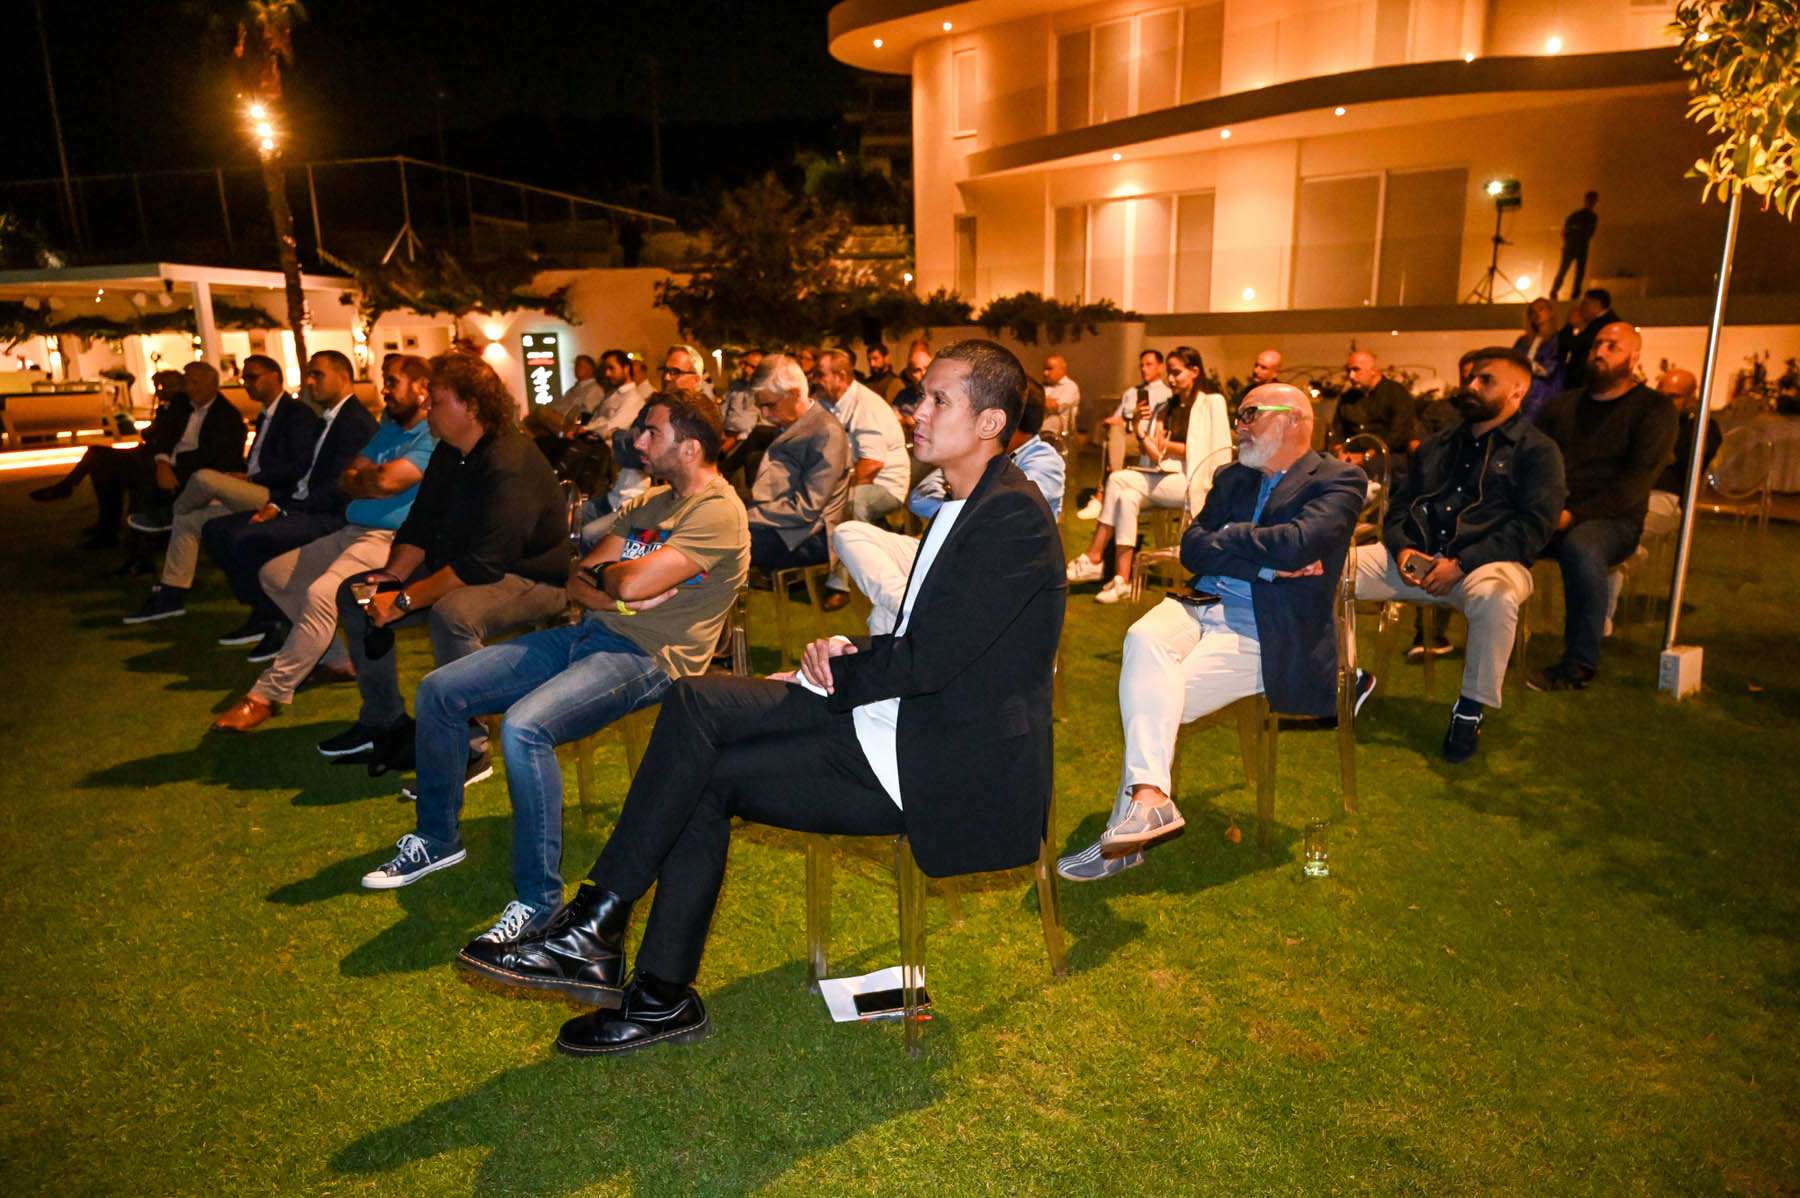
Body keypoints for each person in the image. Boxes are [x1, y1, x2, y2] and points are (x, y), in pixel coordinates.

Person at [455, 339, 1065, 1058]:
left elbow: (933, 660)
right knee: (698, 738)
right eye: (920, 396)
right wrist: (843, 655)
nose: (916, 412)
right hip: (899, 720)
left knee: (697, 722)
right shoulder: (970, 503)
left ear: (990, 422)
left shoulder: (1010, 515)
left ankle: (601, 936)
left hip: (940, 760)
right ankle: (641, 977)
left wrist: (828, 676)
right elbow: (936, 642)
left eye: (938, 399)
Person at [358, 390, 750, 946]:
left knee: (524, 728)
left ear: (690, 447)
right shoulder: (652, 503)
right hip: (591, 633)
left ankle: (539, 903)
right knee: (440, 690)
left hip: (651, 657)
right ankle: (438, 838)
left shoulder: (717, 512)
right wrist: (619, 593)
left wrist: (617, 582)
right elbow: (577, 578)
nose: (638, 441)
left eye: (652, 432)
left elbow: (627, 579)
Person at [1058, 384, 1365, 882]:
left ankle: (1128, 835)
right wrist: (1263, 563)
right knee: (1142, 638)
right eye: (1240, 414)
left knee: (1154, 700)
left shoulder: (1339, 479)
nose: (1239, 425)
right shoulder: (1232, 477)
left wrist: (1231, 537)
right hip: (1199, 604)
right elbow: (1193, 550)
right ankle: (1149, 803)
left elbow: (1299, 544)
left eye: (1250, 414)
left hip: (1266, 629)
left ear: (1294, 420)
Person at [318, 350, 570, 777]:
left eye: (435, 400)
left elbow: (484, 565)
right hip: (466, 567)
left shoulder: (509, 460)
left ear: (470, 407)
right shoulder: (450, 451)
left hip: (529, 577)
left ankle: (470, 748)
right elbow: (420, 526)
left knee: (453, 613)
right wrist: (390, 579)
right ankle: (384, 723)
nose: (426, 407)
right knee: (357, 593)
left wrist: (404, 601)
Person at [1353, 347, 1565, 763]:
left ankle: (1469, 711)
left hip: (1488, 564)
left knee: (1496, 597)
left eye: (1486, 380)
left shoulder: (1538, 451)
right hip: (1416, 559)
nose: (1471, 385)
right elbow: (1398, 508)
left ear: (1517, 392)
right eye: (1470, 378)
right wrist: (1402, 546)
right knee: (1328, 568)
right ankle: (1344, 678)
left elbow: (1534, 528)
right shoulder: (1438, 445)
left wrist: (1464, 563)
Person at [209, 355, 441, 732]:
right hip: (353, 529)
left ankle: (265, 695)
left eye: (393, 381)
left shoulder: (431, 434)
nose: (384, 389)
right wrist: (367, 479)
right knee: (275, 575)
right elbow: (349, 476)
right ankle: (335, 661)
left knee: (321, 594)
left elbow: (386, 481)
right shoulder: (390, 426)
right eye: (385, 380)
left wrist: (367, 479)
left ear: (421, 387)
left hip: (390, 539)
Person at [833, 388, 1064, 634]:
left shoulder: (1043, 459)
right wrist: (966, 503)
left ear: (1003, 421)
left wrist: (957, 498)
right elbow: (920, 498)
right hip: (945, 554)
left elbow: (1005, 510)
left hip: (990, 572)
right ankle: (909, 608)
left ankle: (907, 615)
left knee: (883, 617)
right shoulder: (977, 453)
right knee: (849, 534)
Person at [194, 352, 381, 655]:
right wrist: (278, 503)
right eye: (310, 374)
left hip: (330, 515)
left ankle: (279, 622)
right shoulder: (326, 419)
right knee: (216, 529)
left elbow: (338, 488)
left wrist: (284, 509)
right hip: (302, 504)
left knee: (250, 539)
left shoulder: (355, 422)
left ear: (344, 377)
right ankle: (263, 611)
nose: (310, 382)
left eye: (318, 374)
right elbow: (301, 472)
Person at [120, 353, 322, 624]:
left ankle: (169, 513)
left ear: (275, 376)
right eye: (244, 379)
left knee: (205, 478)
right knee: (188, 519)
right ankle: (171, 595)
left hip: (275, 495)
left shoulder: (295, 414)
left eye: (253, 377)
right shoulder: (266, 414)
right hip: (253, 486)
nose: (247, 384)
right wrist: (246, 476)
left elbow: (298, 466)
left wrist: (254, 478)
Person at [1530, 322, 1678, 691]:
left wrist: (1571, 516)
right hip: (1554, 511)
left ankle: (1579, 664)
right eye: (1597, 344)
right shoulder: (1562, 406)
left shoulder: (1653, 410)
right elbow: (1532, 460)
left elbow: (1634, 484)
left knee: (1582, 547)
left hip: (1613, 520)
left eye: (1613, 346)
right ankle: (1461, 634)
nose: (1600, 352)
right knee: (1493, 533)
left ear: (1634, 356)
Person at [1066, 346, 1233, 603]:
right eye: (1170, 374)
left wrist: (1171, 446)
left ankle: (1094, 556)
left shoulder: (1212, 403)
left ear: (1194, 371)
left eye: (1177, 373)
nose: (1171, 379)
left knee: (1118, 479)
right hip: (1163, 475)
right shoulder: (1166, 407)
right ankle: (1122, 579)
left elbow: (1215, 449)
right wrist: (1139, 429)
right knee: (1126, 498)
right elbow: (1156, 454)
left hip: (1194, 480)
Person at [33, 360, 246, 548]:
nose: (189, 388)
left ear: (212, 385)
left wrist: (167, 465)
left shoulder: (226, 416)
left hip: (191, 470)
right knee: (101, 460)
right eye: (187, 382)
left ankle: (137, 547)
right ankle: (106, 529)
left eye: (194, 383)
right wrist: (162, 461)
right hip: (159, 460)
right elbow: (162, 436)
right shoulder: (182, 403)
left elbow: (211, 457)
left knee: (141, 480)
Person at [816, 348, 910, 608]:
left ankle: (840, 585)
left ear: (840, 376)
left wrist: (832, 490)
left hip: (885, 484)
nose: (815, 380)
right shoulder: (827, 402)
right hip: (851, 479)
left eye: (821, 374)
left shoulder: (865, 406)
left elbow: (871, 465)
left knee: (848, 502)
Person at [743, 354, 851, 571]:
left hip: (810, 536)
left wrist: (744, 516)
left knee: (720, 541)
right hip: (784, 524)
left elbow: (805, 510)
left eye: (769, 405)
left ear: (794, 394)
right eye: (761, 406)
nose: (765, 414)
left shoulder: (826, 432)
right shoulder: (793, 423)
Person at [1652, 368, 1720, 500]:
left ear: (1691, 398)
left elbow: (1676, 457)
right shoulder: (1648, 421)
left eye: (1674, 396)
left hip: (1666, 495)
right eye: (1660, 395)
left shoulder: (1702, 427)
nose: (1664, 401)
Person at [1334, 351, 1414, 459]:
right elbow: (1337, 431)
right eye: (1349, 371)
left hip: (1387, 459)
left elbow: (1400, 434)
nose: (1351, 376)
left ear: (1373, 370)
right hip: (1351, 458)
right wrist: (1340, 451)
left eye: (1356, 369)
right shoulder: (1347, 398)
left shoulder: (1396, 393)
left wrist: (1368, 456)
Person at [1555, 288, 1619, 401]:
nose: (1580, 308)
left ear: (1595, 305)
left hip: (1586, 382)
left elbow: (1572, 345)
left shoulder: (1602, 326)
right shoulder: (1604, 322)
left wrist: (1569, 325)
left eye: (1584, 304)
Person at [1514, 297, 1566, 422]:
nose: (1537, 314)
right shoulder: (1523, 341)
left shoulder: (1559, 339)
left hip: (1546, 392)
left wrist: (1527, 365)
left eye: (1541, 309)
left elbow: (1549, 369)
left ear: (1551, 312)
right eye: (1533, 312)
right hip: (1522, 392)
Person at [1550, 191, 1600, 300]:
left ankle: (1570, 294)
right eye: (1590, 200)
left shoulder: (1591, 217)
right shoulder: (1580, 216)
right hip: (1573, 246)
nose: (1592, 203)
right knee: (1566, 270)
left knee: (1576, 272)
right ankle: (1556, 292)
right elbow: (1567, 231)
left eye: (1593, 200)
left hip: (1579, 246)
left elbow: (1587, 233)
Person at [1041, 354, 1081, 439]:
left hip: (1059, 438)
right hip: (1041, 435)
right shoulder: (1044, 387)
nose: (1045, 373)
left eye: (1049, 369)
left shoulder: (1070, 386)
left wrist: (1036, 399)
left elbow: (1054, 406)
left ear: (1061, 369)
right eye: (1044, 369)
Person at [1233, 349, 1283, 414]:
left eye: (1263, 368)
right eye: (1256, 365)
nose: (1256, 371)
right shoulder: (1246, 392)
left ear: (1275, 373)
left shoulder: (1283, 394)